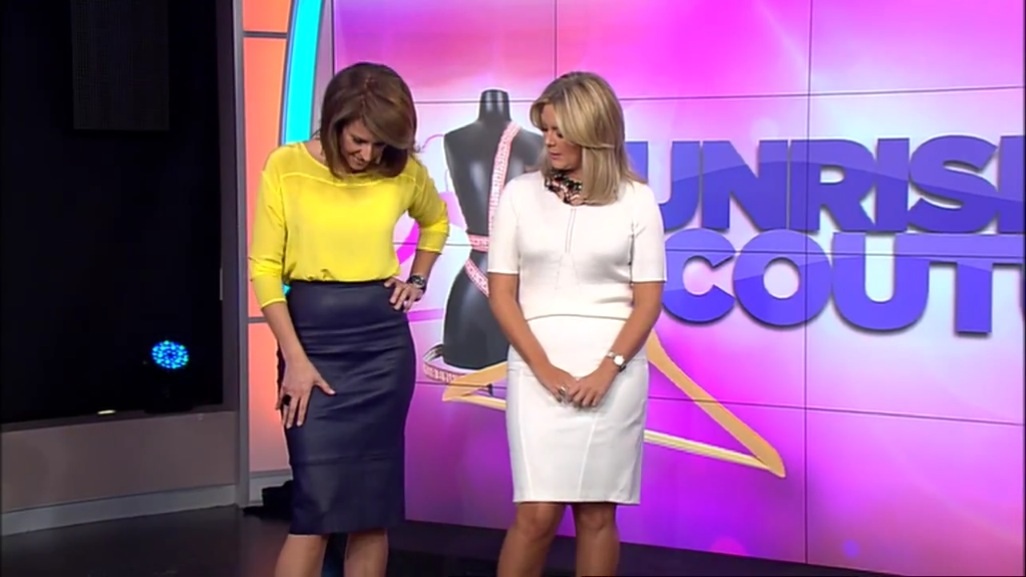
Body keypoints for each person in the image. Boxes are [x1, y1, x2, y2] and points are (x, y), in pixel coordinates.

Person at [249, 62, 450, 577]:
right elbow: (265, 270)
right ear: (334, 121)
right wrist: (295, 361)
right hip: (310, 341)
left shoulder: (401, 171)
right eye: (359, 140)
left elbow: (436, 221)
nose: (368, 155)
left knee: (370, 514)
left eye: (380, 145)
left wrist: (418, 279)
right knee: (314, 513)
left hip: (382, 349)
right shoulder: (287, 166)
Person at [487, 72, 666, 577]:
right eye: (545, 129)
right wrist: (543, 368)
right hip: (536, 366)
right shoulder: (520, 195)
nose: (549, 141)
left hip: (613, 371)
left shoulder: (637, 200)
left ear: (594, 132)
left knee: (596, 513)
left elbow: (648, 302)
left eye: (561, 131)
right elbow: (502, 294)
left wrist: (607, 370)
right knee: (536, 514)